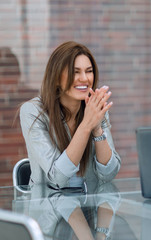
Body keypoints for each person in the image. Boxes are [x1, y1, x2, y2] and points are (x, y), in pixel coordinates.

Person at [20, 41, 121, 189]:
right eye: (75, 72)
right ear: (56, 77)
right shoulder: (33, 111)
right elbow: (57, 179)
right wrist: (86, 125)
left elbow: (109, 174)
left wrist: (97, 129)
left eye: (89, 71)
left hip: (89, 206)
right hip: (48, 209)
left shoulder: (95, 108)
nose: (85, 78)